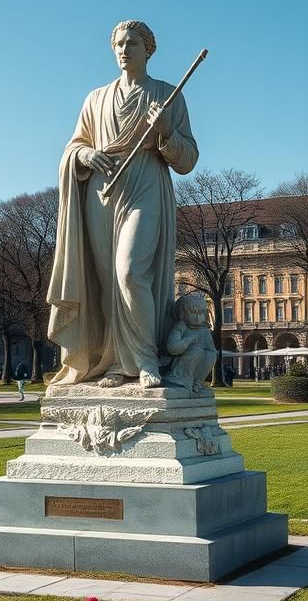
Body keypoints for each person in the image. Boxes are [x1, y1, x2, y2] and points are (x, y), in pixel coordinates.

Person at [47, 20, 198, 390]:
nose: (124, 50)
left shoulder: (167, 95)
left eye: (132, 43)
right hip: (101, 193)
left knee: (129, 272)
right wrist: (84, 155)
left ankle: (145, 359)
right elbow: (73, 146)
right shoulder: (95, 98)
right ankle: (114, 362)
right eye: (118, 44)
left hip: (145, 185)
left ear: (149, 49)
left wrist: (165, 130)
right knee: (105, 283)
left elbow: (188, 159)